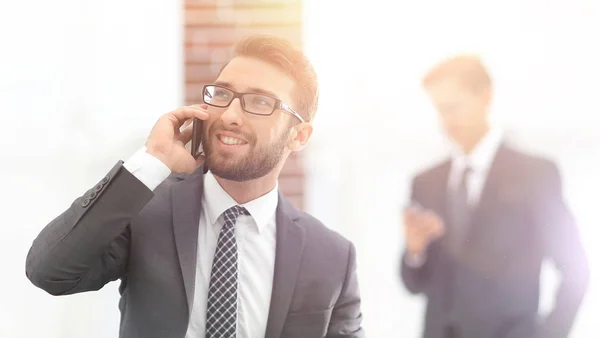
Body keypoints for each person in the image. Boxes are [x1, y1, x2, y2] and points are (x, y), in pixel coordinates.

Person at [26, 35, 365, 338]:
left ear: (299, 135)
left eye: (260, 102)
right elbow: (49, 271)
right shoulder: (145, 208)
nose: (230, 115)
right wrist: (153, 160)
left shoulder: (333, 257)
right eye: (223, 94)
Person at [400, 55, 589, 338]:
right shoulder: (425, 182)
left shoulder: (535, 174)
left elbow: (576, 271)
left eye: (453, 107)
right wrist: (415, 251)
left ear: (485, 97)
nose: (446, 120)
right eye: (439, 109)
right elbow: (415, 284)